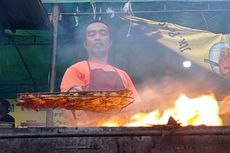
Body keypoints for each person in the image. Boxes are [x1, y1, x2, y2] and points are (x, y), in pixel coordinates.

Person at [59, 20, 140, 126]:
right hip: (89, 134)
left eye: (103, 33)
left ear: (110, 42)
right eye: (92, 34)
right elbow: (70, 105)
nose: (98, 37)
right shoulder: (76, 70)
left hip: (121, 133)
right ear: (85, 44)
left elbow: (136, 107)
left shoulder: (123, 74)